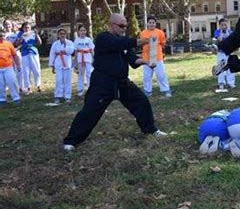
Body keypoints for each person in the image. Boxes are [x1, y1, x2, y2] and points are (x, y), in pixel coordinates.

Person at [63, 14, 167, 151]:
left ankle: (151, 130)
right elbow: (119, 44)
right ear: (111, 25)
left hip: (122, 82)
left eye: (126, 26)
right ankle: (70, 141)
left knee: (141, 102)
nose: (124, 29)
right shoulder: (103, 38)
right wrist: (143, 41)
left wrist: (146, 61)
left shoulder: (123, 40)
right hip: (102, 83)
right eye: (121, 26)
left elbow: (132, 60)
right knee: (89, 112)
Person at [139, 16, 172, 97]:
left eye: (153, 23)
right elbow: (140, 43)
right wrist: (147, 42)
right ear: (147, 23)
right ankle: (147, 91)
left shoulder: (160, 32)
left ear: (155, 23)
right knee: (147, 76)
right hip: (146, 58)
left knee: (161, 75)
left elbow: (163, 44)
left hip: (157, 57)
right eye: (150, 23)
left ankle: (166, 90)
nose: (151, 24)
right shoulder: (143, 33)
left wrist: (160, 50)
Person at [49, 29, 75, 104]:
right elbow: (52, 54)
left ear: (66, 35)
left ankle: (67, 97)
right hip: (58, 63)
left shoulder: (70, 42)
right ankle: (58, 96)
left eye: (64, 34)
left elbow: (71, 51)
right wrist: (52, 65)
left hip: (67, 63)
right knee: (59, 80)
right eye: (60, 34)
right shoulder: (55, 44)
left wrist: (64, 48)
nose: (62, 35)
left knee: (67, 80)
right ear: (58, 35)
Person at [16, 22, 42, 93]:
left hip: (33, 52)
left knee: (36, 69)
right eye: (25, 27)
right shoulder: (20, 34)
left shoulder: (33, 33)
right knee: (26, 71)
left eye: (28, 27)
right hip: (24, 53)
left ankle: (38, 85)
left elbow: (39, 43)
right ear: (23, 28)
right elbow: (17, 44)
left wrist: (37, 34)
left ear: (30, 28)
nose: (27, 29)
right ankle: (28, 87)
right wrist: (21, 39)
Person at [0, 28, 21, 105]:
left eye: (3, 35)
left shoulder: (9, 44)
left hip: (8, 67)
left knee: (12, 82)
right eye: (0, 35)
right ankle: (2, 99)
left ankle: (16, 98)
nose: (1, 37)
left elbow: (15, 55)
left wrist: (18, 65)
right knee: (0, 84)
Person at [213, 18, 236, 89]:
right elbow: (219, 39)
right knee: (221, 67)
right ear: (219, 25)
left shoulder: (230, 31)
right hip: (221, 52)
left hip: (229, 52)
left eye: (225, 25)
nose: (224, 26)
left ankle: (231, 83)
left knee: (230, 67)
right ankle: (221, 82)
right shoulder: (217, 31)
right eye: (222, 25)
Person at [74, 25, 95, 97]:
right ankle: (80, 90)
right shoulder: (77, 40)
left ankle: (90, 89)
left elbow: (92, 50)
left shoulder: (88, 39)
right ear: (78, 32)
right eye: (81, 30)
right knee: (81, 74)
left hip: (88, 58)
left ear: (86, 31)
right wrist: (76, 62)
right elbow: (76, 52)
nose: (82, 32)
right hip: (80, 58)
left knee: (89, 73)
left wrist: (94, 59)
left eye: (84, 30)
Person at [3, 20, 23, 91]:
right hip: (6, 55)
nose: (7, 26)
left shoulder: (16, 34)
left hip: (16, 53)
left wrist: (15, 50)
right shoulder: (3, 35)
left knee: (19, 69)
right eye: (5, 24)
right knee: (8, 70)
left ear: (11, 25)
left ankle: (20, 86)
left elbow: (21, 44)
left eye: (8, 24)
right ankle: (8, 85)